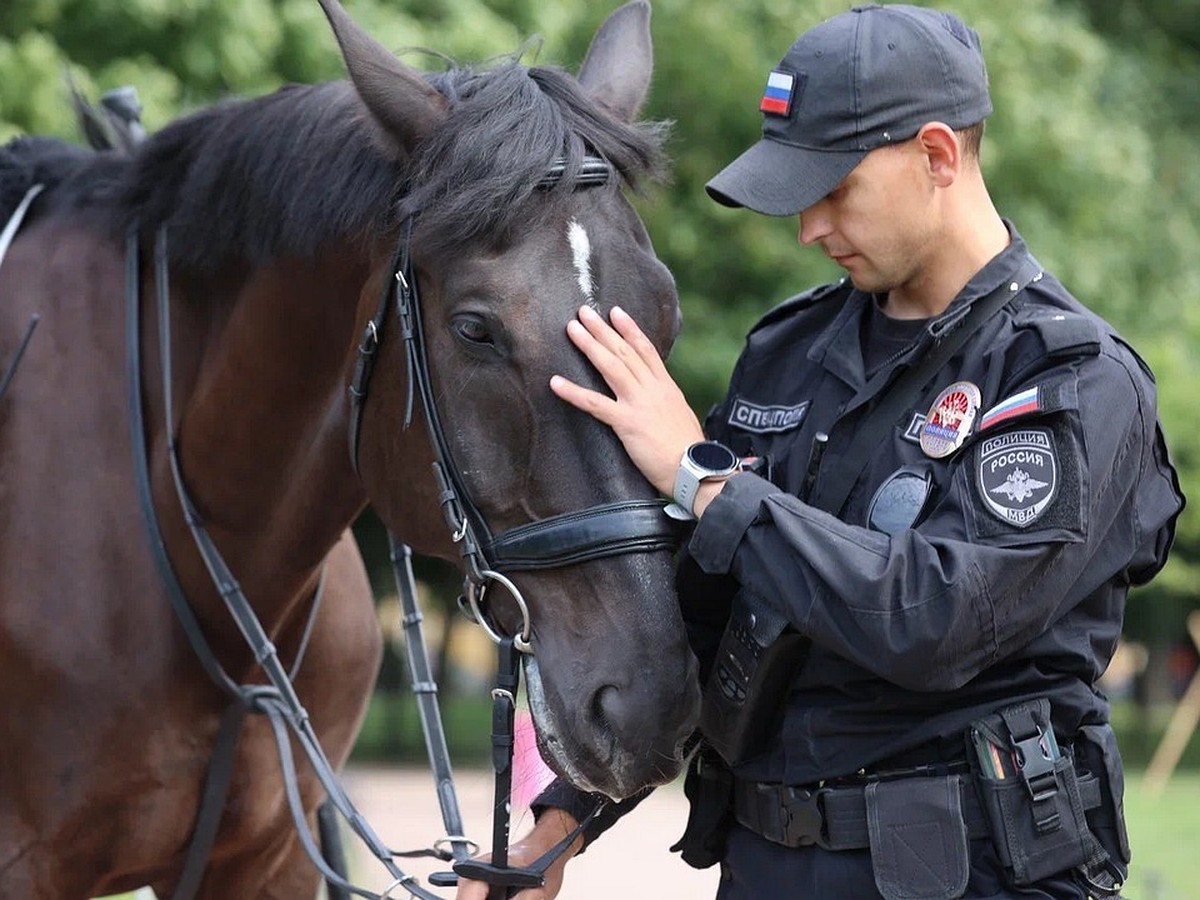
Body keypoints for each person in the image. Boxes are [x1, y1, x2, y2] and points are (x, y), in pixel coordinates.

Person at [457, 4, 1184, 898]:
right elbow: (696, 618)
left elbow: (934, 622)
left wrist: (704, 480)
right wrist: (556, 823)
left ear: (938, 156)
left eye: (835, 189)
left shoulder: (1069, 380)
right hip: (766, 867)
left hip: (976, 877)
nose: (809, 228)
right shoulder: (788, 354)